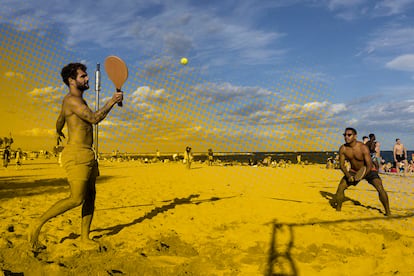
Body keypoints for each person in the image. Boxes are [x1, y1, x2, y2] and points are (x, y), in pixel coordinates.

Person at [28, 63, 123, 251]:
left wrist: (57, 131)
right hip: (77, 154)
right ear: (71, 80)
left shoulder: (73, 102)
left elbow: (60, 119)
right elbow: (94, 119)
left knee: (90, 196)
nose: (87, 79)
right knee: (76, 198)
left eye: (86, 76)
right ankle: (36, 224)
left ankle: (85, 239)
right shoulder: (73, 100)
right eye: (83, 76)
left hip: (87, 153)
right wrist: (111, 101)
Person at [332, 127, 391, 216]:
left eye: (349, 135)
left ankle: (388, 212)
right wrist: (348, 176)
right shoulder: (343, 149)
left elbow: (369, 165)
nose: (346, 137)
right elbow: (342, 165)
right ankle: (338, 210)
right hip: (354, 171)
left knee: (380, 187)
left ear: (355, 136)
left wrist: (361, 175)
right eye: (345, 135)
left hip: (368, 170)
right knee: (341, 188)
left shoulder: (362, 147)